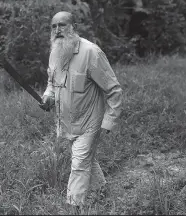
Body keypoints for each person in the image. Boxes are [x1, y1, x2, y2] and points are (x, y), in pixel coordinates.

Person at [39, 11, 123, 208]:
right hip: (66, 122)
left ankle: (73, 207)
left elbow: (113, 89)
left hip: (89, 122)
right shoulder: (55, 52)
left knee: (78, 165)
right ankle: (101, 190)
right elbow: (52, 84)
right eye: (53, 26)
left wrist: (109, 121)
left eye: (62, 25)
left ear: (73, 27)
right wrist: (47, 97)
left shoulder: (91, 53)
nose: (57, 30)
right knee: (85, 159)